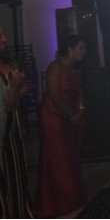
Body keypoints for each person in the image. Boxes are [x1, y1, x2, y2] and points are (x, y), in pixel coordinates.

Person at [36, 35, 87, 217]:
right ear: (70, 49)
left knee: (70, 154)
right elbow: (54, 95)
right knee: (59, 155)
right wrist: (71, 113)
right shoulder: (55, 67)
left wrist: (80, 110)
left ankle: (71, 197)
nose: (84, 51)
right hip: (54, 116)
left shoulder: (74, 69)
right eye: (81, 48)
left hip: (69, 114)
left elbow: (79, 92)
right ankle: (59, 201)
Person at [0, 25, 34, 218]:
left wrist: (17, 89)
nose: (5, 39)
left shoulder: (10, 62)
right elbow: (9, 103)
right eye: (0, 35)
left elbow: (24, 89)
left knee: (18, 179)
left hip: (14, 132)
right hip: (2, 129)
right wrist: (15, 89)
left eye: (4, 34)